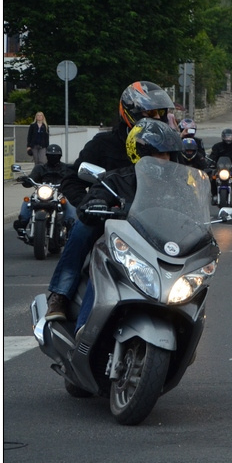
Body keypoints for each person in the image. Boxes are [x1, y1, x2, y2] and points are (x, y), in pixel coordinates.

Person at [45, 80, 175, 321]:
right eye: (149, 113)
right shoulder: (104, 144)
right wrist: (89, 205)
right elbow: (72, 179)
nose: (156, 117)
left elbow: (183, 178)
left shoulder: (166, 144)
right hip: (108, 221)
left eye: (160, 113)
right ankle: (61, 294)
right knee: (82, 229)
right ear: (129, 112)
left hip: (151, 222)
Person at [73, 118, 183, 332]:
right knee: (102, 266)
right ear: (139, 154)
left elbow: (191, 212)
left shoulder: (177, 186)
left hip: (160, 252)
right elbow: (96, 196)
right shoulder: (117, 180)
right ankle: (85, 328)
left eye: (168, 154)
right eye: (158, 154)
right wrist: (97, 202)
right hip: (123, 251)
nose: (164, 159)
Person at [13, 144, 75, 237]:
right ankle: (22, 224)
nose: (53, 157)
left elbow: (74, 177)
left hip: (60, 193)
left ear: (60, 157)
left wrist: (75, 179)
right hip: (42, 193)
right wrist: (25, 180)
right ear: (47, 156)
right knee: (28, 201)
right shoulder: (40, 168)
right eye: (50, 155)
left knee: (69, 204)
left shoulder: (66, 168)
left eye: (55, 156)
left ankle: (71, 227)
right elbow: (31, 179)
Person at [208, 128, 232, 206]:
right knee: (213, 178)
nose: (228, 138)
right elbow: (212, 156)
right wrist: (210, 162)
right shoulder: (217, 146)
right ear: (223, 137)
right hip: (219, 168)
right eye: (226, 136)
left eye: (230, 136)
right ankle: (214, 195)